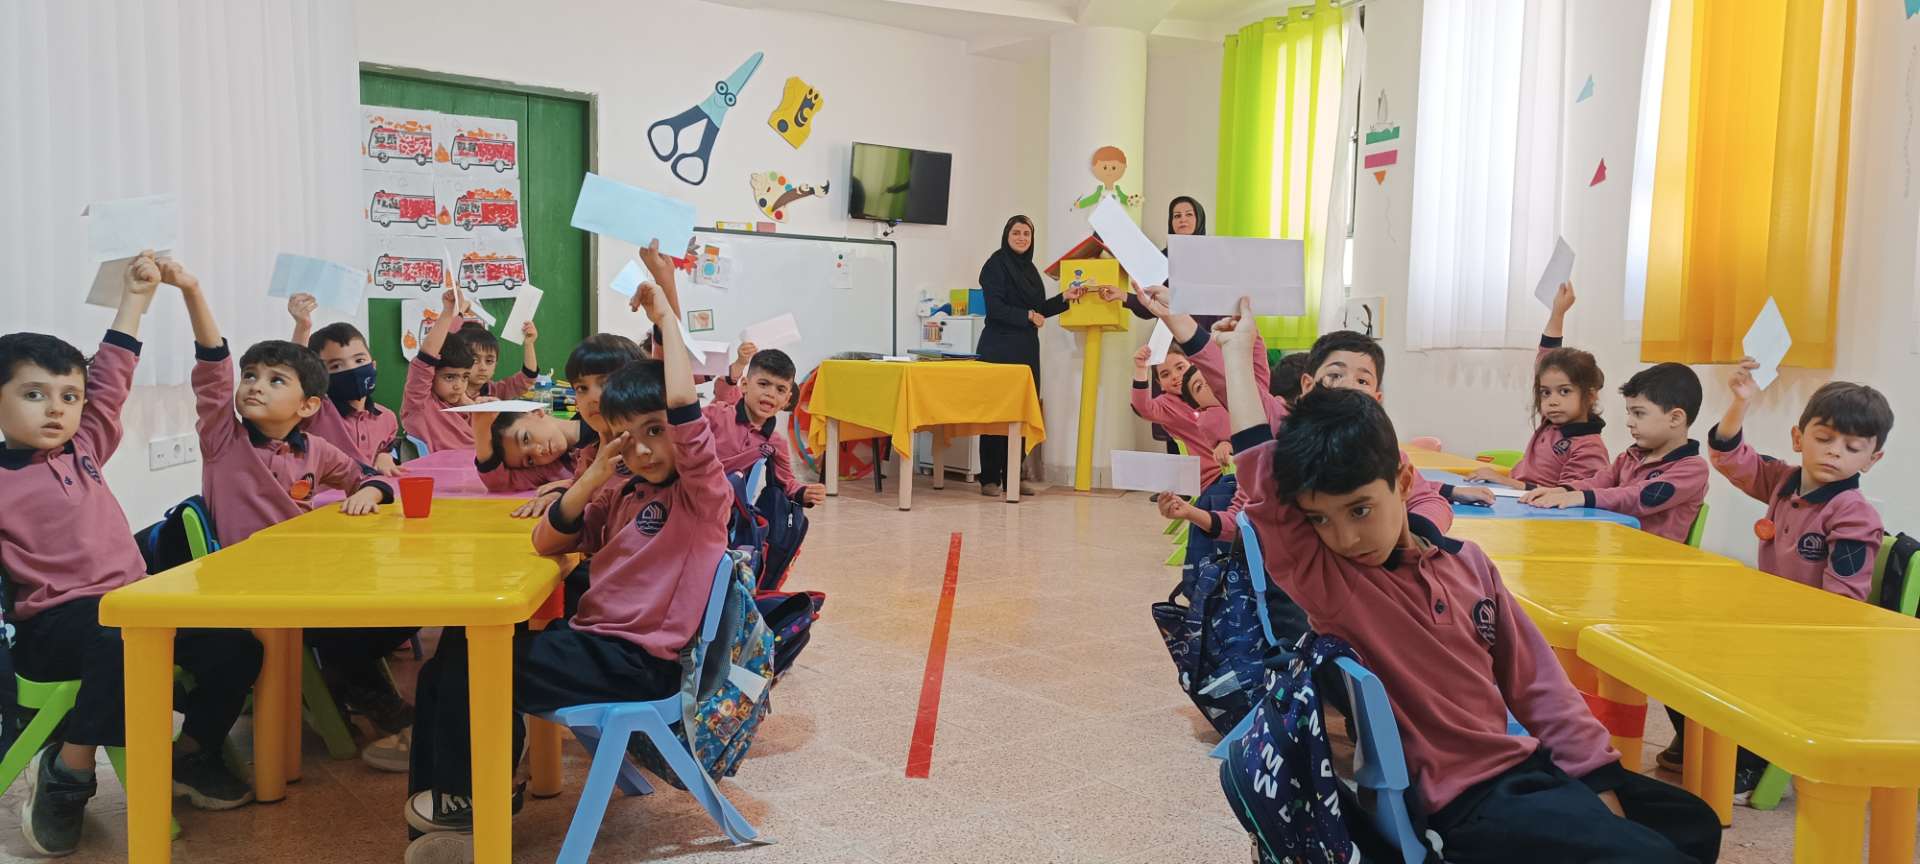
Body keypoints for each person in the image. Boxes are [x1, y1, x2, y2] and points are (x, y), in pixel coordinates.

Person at [1214, 299, 1721, 862]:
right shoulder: (1337, 586)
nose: (1346, 537)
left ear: (1403, 479)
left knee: (1694, 823)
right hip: (1465, 802)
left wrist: (1595, 779)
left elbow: (1538, 684)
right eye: (1320, 520)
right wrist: (1237, 354)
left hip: (1522, 767)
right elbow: (1262, 481)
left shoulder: (1470, 565)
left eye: (1360, 510)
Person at [403, 279, 730, 859]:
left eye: (656, 432)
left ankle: (471, 805)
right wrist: (594, 477)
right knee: (447, 659)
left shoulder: (700, 497)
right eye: (628, 437)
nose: (643, 449)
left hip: (636, 662)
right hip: (594, 644)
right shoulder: (623, 489)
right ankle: (449, 807)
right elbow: (545, 540)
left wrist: (665, 316)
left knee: (475, 669)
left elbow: (685, 411)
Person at [1, 253, 263, 854]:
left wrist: (137, 299)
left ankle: (190, 753)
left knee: (236, 645)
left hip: (135, 601)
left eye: (68, 395)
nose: (56, 408)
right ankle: (69, 771)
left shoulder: (85, 446)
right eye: (34, 394)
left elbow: (112, 376)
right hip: (55, 622)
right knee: (123, 640)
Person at [175, 257, 413, 769]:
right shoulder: (224, 440)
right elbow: (212, 371)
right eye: (251, 376)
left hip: (300, 578)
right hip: (246, 584)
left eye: (275, 380)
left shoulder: (315, 451)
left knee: (393, 610)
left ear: (308, 406)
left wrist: (372, 493)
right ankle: (363, 695)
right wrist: (192, 290)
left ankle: (350, 687)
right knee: (349, 624)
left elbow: (368, 477)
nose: (255, 386)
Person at [1693, 366, 1893, 798]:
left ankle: (1750, 763)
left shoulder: (1853, 513)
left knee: (1735, 665)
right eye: (1824, 439)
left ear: (1871, 460)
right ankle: (1698, 743)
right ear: (1798, 438)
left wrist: (1774, 632)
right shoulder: (1783, 482)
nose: (1835, 453)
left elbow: (1840, 604)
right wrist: (1741, 402)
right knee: (1685, 653)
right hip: (1773, 624)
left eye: (1852, 447)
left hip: (1813, 638)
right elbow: (1729, 457)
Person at [1520, 363, 1708, 545]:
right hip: (1617, 548)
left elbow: (1639, 497)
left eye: (1639, 413)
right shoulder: (1630, 457)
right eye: (1629, 413)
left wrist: (1581, 497)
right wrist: (1563, 490)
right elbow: (1599, 481)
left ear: (1675, 418)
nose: (1629, 422)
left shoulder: (1692, 469)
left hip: (1654, 560)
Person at [974, 214, 1082, 497]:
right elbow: (995, 309)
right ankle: (989, 479)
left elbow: (1039, 309)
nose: (1022, 238)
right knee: (996, 414)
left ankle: (1013, 475)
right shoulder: (995, 265)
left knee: (1022, 411)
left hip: (1025, 350)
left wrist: (1064, 298)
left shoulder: (1031, 271)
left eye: (1027, 234)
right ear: (1006, 236)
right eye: (1017, 233)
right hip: (998, 349)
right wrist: (1027, 316)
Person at [1470, 283, 1609, 490]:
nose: (1552, 401)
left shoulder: (1588, 448)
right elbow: (1547, 355)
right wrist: (1558, 313)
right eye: (1545, 393)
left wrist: (1504, 481)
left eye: (1564, 391)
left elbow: (1566, 496)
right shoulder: (1552, 422)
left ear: (1590, 396)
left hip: (1540, 508)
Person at [288, 299, 401, 475]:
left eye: (359, 360)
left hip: (371, 491)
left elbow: (386, 450)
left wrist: (384, 456)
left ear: (373, 365)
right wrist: (303, 327)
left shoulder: (387, 418)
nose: (352, 370)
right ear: (320, 374)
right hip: (322, 493)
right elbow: (296, 376)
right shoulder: (316, 412)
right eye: (336, 366)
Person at [709, 343, 827, 506]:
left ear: (786, 400)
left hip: (725, 505)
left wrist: (804, 493)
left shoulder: (775, 442)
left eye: (780, 390)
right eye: (763, 384)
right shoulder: (718, 413)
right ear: (744, 385)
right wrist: (740, 363)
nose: (770, 394)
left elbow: (787, 481)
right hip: (687, 491)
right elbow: (723, 387)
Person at [403, 290, 482, 451]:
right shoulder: (420, 403)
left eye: (465, 377)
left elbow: (447, 340)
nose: (459, 386)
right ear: (432, 374)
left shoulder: (460, 405)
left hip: (476, 460)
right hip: (450, 465)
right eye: (450, 377)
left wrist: (460, 313)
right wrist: (448, 311)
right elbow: (428, 356)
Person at [455, 320, 538, 402]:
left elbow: (527, 377)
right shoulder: (450, 394)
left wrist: (529, 344)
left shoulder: (496, 390)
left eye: (489, 361)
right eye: (475, 360)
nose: (483, 367)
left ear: (496, 364)